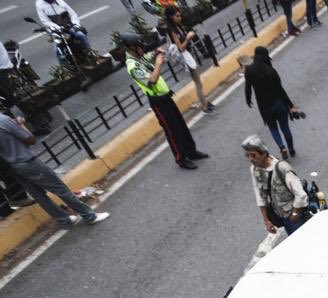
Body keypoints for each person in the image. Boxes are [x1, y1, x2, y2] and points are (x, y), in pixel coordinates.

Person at [0, 111, 109, 226]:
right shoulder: (4, 120)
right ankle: (89, 216)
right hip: (27, 161)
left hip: (12, 166)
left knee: (39, 196)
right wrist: (21, 125)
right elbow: (31, 140)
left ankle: (64, 220)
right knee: (61, 189)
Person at [122, 32, 207, 170]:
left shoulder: (139, 56)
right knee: (172, 131)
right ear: (131, 48)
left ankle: (191, 151)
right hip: (158, 102)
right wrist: (158, 63)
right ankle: (181, 158)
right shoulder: (132, 66)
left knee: (181, 125)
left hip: (166, 96)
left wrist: (156, 53)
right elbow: (151, 80)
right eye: (140, 47)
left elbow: (147, 58)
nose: (143, 49)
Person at [243, 134, 309, 236]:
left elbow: (301, 195)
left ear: (264, 153)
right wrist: (266, 220)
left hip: (295, 217)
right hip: (282, 216)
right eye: (247, 155)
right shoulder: (254, 169)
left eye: (253, 155)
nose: (250, 159)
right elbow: (260, 196)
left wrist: (294, 215)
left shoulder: (282, 169)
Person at [244, 45, 300, 159]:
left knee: (273, 128)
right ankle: (291, 148)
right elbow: (281, 90)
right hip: (278, 104)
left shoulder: (249, 70)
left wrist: (248, 99)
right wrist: (290, 105)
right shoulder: (271, 71)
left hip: (265, 107)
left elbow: (248, 87)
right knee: (285, 127)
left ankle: (281, 147)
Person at [163, 6, 214, 115]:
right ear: (171, 17)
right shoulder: (172, 30)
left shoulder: (176, 26)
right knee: (198, 83)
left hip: (188, 56)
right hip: (185, 58)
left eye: (179, 15)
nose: (180, 17)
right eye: (177, 16)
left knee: (198, 82)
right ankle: (204, 106)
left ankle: (205, 102)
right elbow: (180, 48)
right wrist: (188, 37)